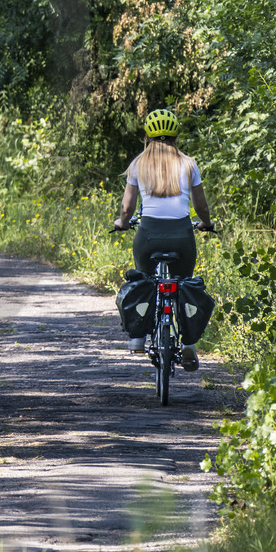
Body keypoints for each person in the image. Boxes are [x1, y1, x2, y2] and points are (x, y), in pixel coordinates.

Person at [114, 107, 215, 367]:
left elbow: (127, 207)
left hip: (148, 236)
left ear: (147, 136)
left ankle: (137, 337)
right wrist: (206, 222)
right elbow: (201, 205)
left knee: (144, 280)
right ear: (175, 136)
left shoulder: (138, 163)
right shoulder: (188, 163)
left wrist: (122, 223)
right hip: (182, 235)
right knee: (183, 283)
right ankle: (189, 343)